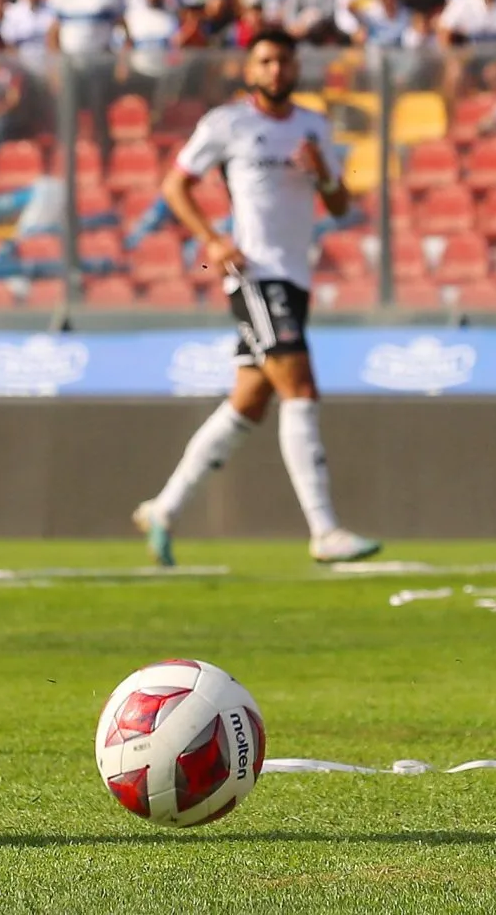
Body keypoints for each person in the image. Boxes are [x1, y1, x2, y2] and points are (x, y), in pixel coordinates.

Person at [131, 29, 381, 565]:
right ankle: (325, 531)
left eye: (284, 61)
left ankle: (165, 508)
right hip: (253, 272)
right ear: (251, 68)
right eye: (265, 61)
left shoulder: (313, 127)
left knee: (249, 399)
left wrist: (321, 173)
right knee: (301, 386)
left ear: (296, 68)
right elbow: (175, 186)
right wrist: (212, 241)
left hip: (295, 276)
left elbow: (338, 206)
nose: (275, 70)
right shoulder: (227, 124)